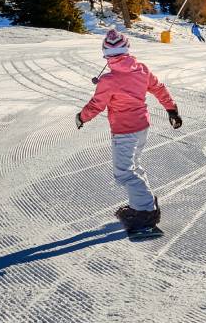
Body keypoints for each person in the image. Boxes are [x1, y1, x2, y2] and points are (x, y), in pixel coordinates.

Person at [76, 29, 182, 232]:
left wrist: (81, 117)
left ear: (106, 54)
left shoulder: (109, 80)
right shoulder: (141, 69)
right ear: (127, 49)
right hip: (142, 127)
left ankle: (145, 215)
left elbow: (96, 104)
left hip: (124, 131)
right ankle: (144, 204)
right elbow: (159, 88)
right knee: (134, 166)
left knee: (124, 173)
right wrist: (171, 109)